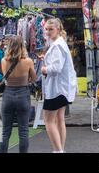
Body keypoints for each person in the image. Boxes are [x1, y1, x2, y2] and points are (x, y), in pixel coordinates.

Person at [41, 18, 77, 153]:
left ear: (58, 29)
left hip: (56, 90)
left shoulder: (57, 46)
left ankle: (58, 150)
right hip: (62, 89)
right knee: (59, 119)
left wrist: (44, 69)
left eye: (51, 29)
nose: (48, 32)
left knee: (48, 121)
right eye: (46, 29)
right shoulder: (59, 43)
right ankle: (60, 149)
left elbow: (55, 69)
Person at [0, 35, 37, 153]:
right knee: (23, 131)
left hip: (8, 94)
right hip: (23, 94)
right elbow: (34, 78)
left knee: (5, 131)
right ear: (22, 46)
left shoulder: (4, 61)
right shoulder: (28, 61)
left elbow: (4, 76)